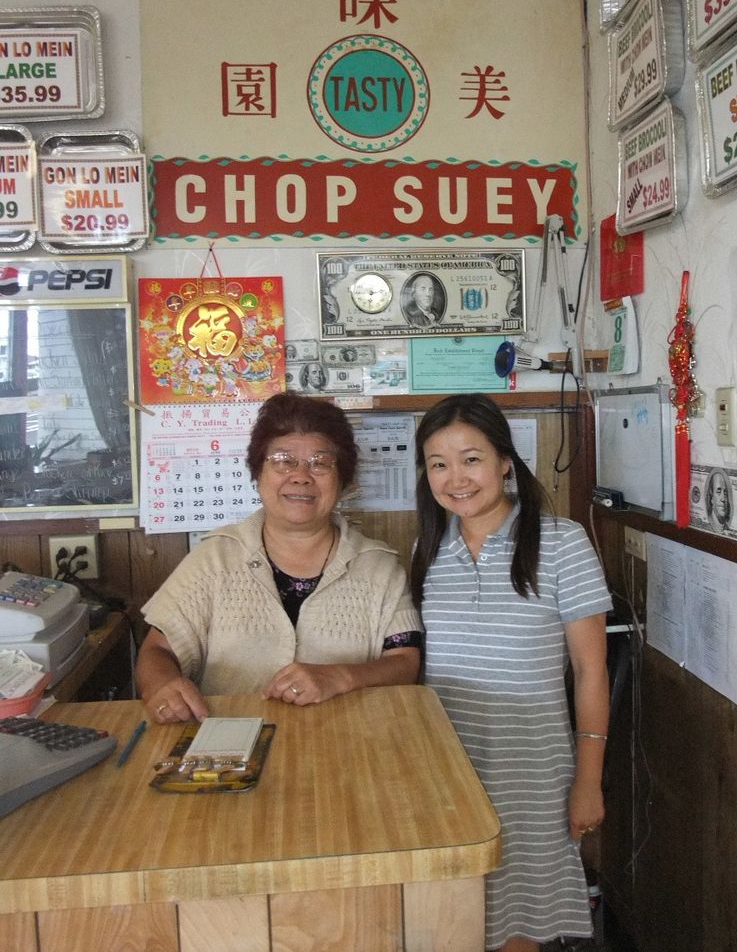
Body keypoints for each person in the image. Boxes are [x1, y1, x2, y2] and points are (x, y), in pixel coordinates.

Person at [410, 394, 612, 952]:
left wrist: (588, 781)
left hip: (532, 776)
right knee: (449, 920)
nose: (456, 479)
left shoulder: (562, 541)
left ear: (504, 461)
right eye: (438, 463)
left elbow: (591, 672)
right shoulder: (427, 548)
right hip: (444, 773)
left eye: (471, 458)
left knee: (516, 926)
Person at [136, 392, 422, 723]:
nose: (301, 475)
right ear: (257, 473)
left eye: (320, 462)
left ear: (342, 480)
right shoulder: (214, 559)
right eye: (283, 460)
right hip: (228, 748)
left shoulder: (379, 567)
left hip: (350, 746)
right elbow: (158, 650)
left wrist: (341, 677)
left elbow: (404, 661)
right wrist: (164, 685)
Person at [705, 468, 732, 533]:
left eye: (725, 493)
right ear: (711, 498)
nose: (723, 499)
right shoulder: (707, 527)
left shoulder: (727, 529)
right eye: (718, 492)